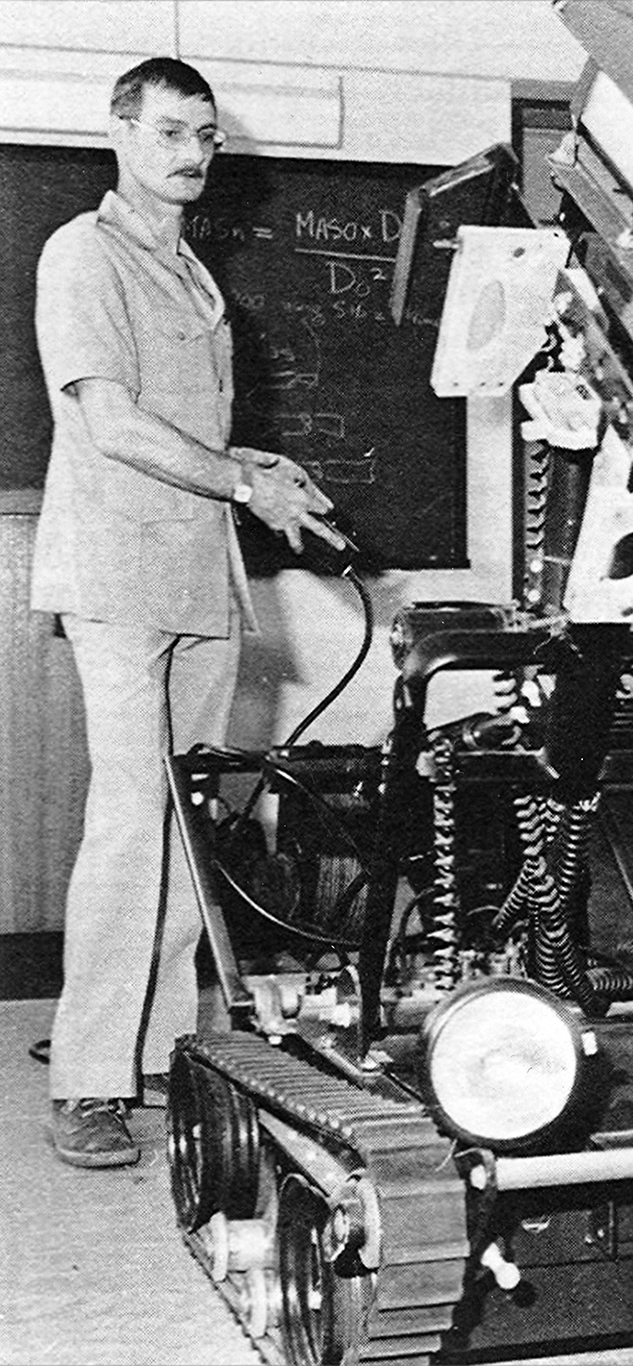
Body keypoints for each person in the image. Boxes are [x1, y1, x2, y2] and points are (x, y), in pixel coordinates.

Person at [31, 57, 345, 1168]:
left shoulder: (194, 275)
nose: (192, 154)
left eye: (205, 136)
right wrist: (239, 481)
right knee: (129, 819)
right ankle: (85, 1080)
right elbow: (109, 421)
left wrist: (260, 466)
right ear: (121, 132)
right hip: (118, 578)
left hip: (199, 576)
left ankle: (164, 1051)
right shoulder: (85, 254)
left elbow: (188, 433)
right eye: (170, 131)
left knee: (186, 817)